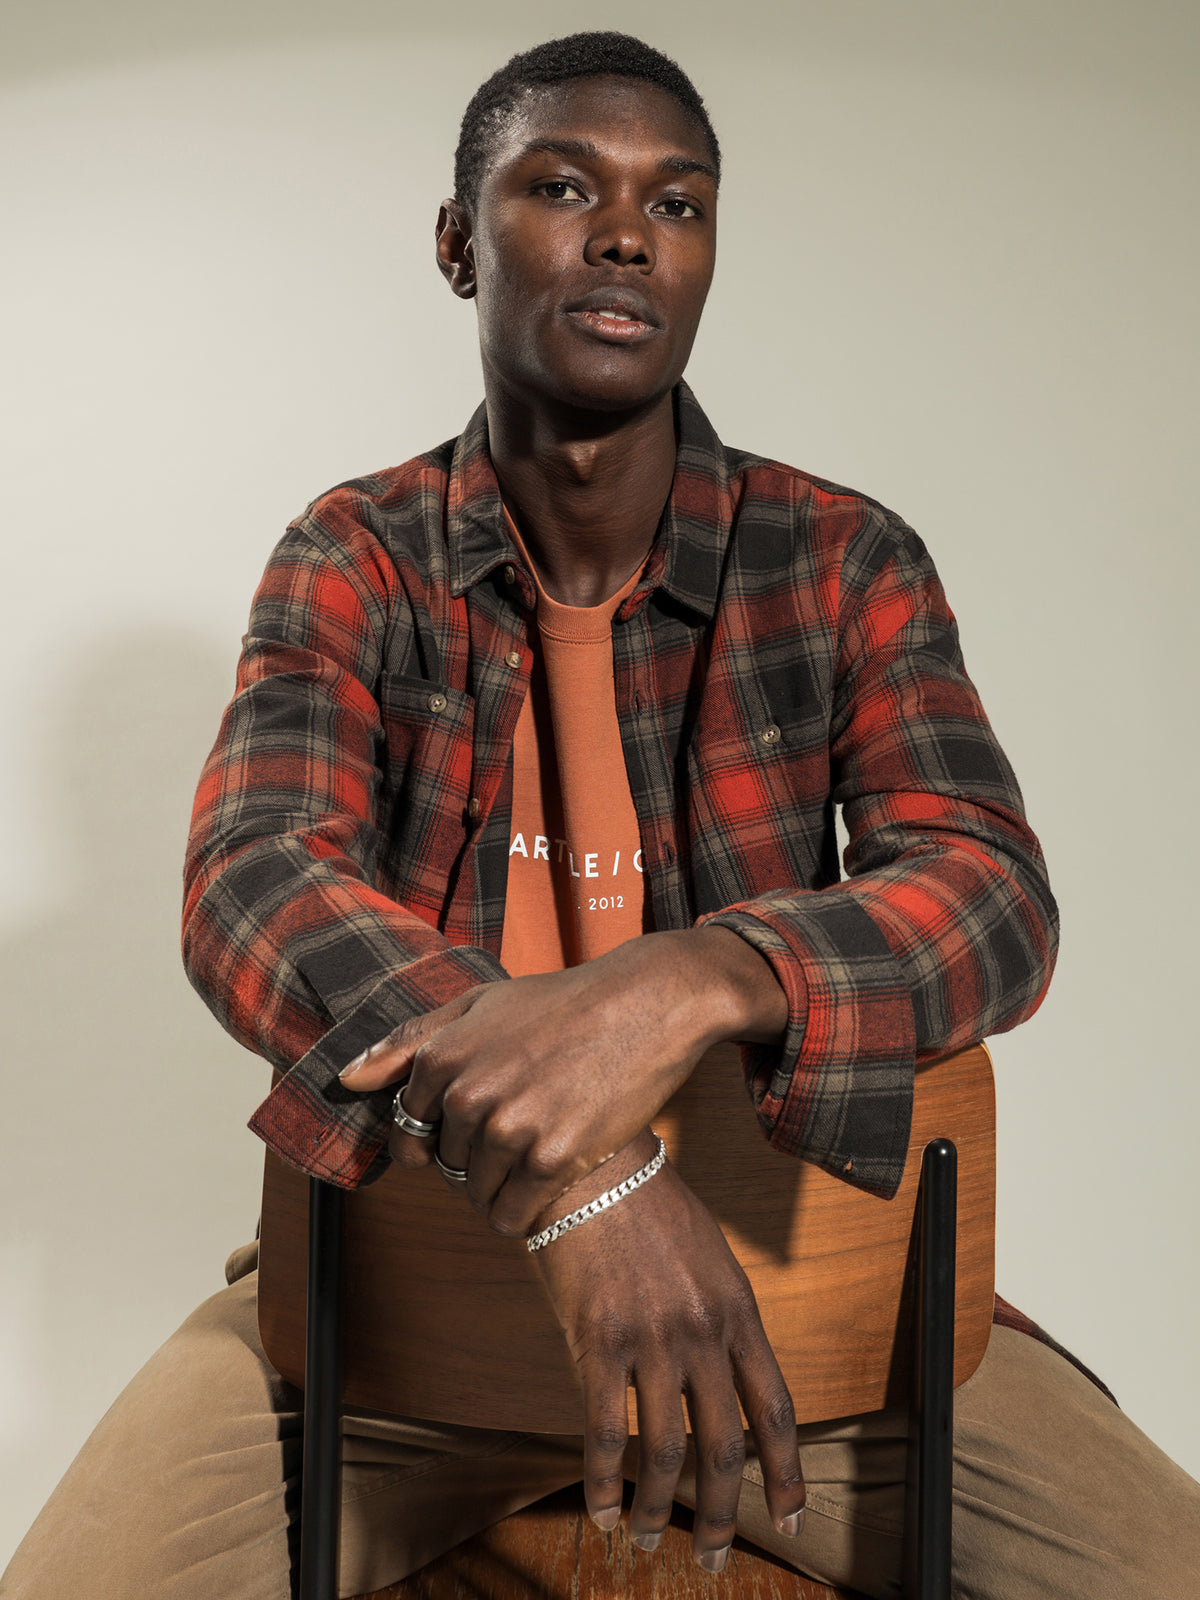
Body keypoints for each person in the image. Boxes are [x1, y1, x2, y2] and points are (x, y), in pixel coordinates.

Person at [3, 30, 1198, 1600]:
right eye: (564, 188)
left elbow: (989, 895)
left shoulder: (842, 558)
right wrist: (590, 1184)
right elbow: (254, 881)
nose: (629, 234)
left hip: (794, 1321)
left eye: (678, 203)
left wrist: (691, 977)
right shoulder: (354, 554)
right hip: (410, 1323)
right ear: (458, 243)